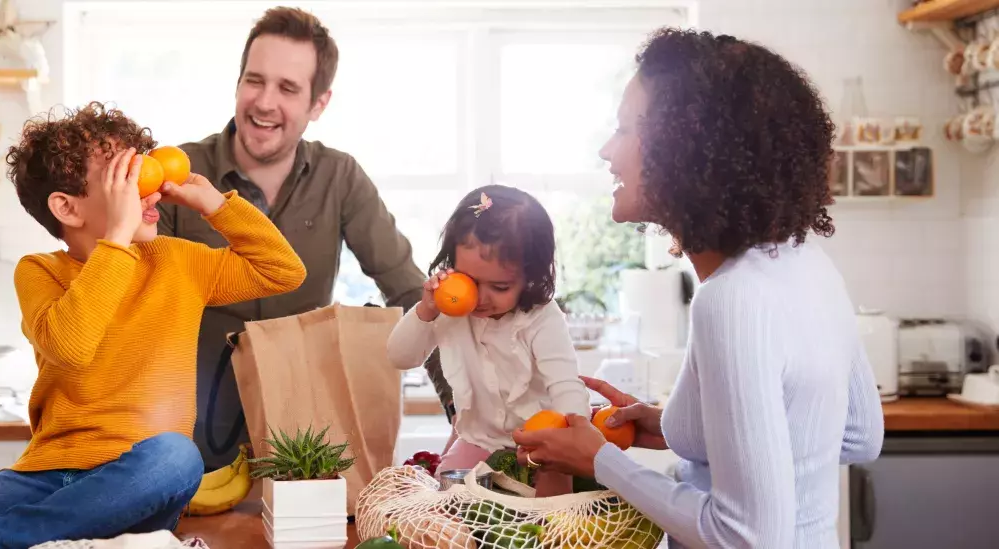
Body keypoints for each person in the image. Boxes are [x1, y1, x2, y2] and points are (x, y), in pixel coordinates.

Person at [0, 102, 307, 549]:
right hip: (47, 478)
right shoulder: (39, 271)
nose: (145, 187)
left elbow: (282, 270)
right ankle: (15, 536)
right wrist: (118, 238)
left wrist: (214, 204)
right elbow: (71, 344)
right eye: (123, 178)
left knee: (177, 455)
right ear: (67, 208)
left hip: (140, 483)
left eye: (141, 169)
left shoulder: (177, 261)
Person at [511, 28, 884, 548]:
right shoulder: (805, 263)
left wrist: (600, 460)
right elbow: (855, 436)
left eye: (624, 130)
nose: (606, 150)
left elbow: (748, 537)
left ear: (685, 147)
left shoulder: (730, 300)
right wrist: (681, 428)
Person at [160, 6, 446, 470]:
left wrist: (462, 416)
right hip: (187, 441)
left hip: (303, 445)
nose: (265, 102)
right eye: (255, 80)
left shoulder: (340, 177)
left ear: (318, 104)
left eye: (288, 88)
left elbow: (414, 295)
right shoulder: (179, 173)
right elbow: (137, 306)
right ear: (238, 83)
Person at [387, 185, 591, 497]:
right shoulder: (449, 307)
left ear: (530, 277)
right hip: (479, 439)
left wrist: (569, 448)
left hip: (542, 445)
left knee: (551, 511)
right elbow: (401, 357)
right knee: (450, 497)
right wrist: (426, 309)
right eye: (469, 280)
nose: (480, 298)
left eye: (499, 286)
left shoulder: (542, 319)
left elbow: (566, 388)